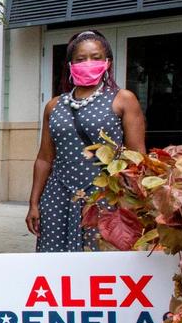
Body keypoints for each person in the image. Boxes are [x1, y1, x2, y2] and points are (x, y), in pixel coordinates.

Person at [27, 29, 145, 252]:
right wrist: (34, 203)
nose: (88, 63)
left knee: (99, 262)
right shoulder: (54, 106)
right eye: (80, 59)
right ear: (71, 65)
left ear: (107, 63)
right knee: (54, 262)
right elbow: (44, 159)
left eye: (96, 57)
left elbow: (137, 157)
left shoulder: (123, 99)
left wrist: (136, 202)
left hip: (105, 195)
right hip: (57, 195)